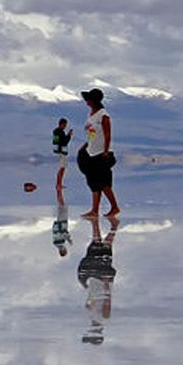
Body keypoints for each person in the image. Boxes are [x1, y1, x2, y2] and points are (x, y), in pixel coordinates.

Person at [76, 88, 118, 218]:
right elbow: (92, 134)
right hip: (91, 152)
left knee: (104, 183)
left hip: (101, 153)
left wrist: (106, 151)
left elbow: (107, 134)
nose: (87, 102)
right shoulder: (91, 115)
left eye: (89, 100)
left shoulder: (103, 115)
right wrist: (86, 145)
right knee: (94, 183)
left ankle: (114, 207)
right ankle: (94, 210)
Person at [77, 215, 118, 344]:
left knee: (96, 249)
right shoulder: (103, 318)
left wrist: (88, 301)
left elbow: (91, 303)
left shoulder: (93, 317)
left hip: (95, 284)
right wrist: (106, 285)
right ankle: (111, 226)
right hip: (102, 281)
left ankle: (97, 224)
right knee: (104, 249)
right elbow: (107, 301)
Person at [52, 118, 74, 190]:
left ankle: (59, 183)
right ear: (62, 124)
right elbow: (65, 142)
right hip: (62, 152)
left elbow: (55, 142)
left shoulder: (55, 131)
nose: (65, 126)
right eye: (65, 125)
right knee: (62, 168)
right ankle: (58, 184)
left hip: (58, 151)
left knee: (62, 168)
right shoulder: (60, 132)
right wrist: (69, 135)